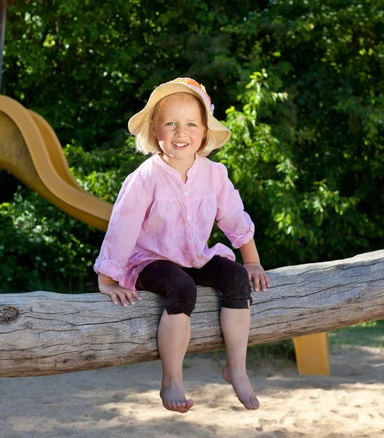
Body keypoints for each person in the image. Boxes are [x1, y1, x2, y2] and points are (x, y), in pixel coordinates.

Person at [94, 78, 270, 414]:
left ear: (204, 132)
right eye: (170, 124)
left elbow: (233, 217)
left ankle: (236, 368)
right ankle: (171, 379)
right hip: (150, 260)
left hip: (193, 256)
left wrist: (252, 261)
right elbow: (122, 227)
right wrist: (108, 278)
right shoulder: (145, 177)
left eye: (191, 124)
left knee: (235, 279)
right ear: (156, 131)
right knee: (181, 287)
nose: (181, 132)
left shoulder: (214, 174)